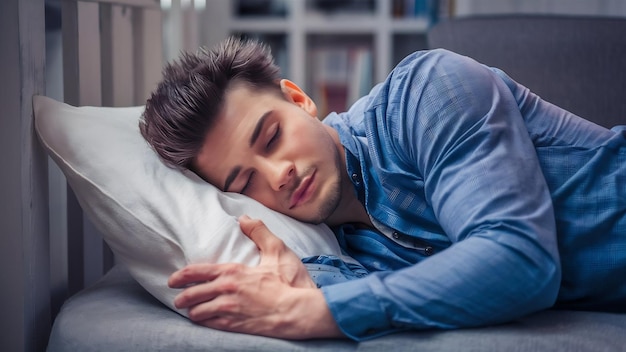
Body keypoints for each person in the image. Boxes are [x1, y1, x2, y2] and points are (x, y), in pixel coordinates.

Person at [139, 37, 626, 341]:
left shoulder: (428, 90)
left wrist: (319, 311)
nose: (277, 174)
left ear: (299, 99)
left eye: (272, 136)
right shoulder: (339, 255)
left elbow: (520, 261)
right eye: (245, 181)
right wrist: (311, 284)